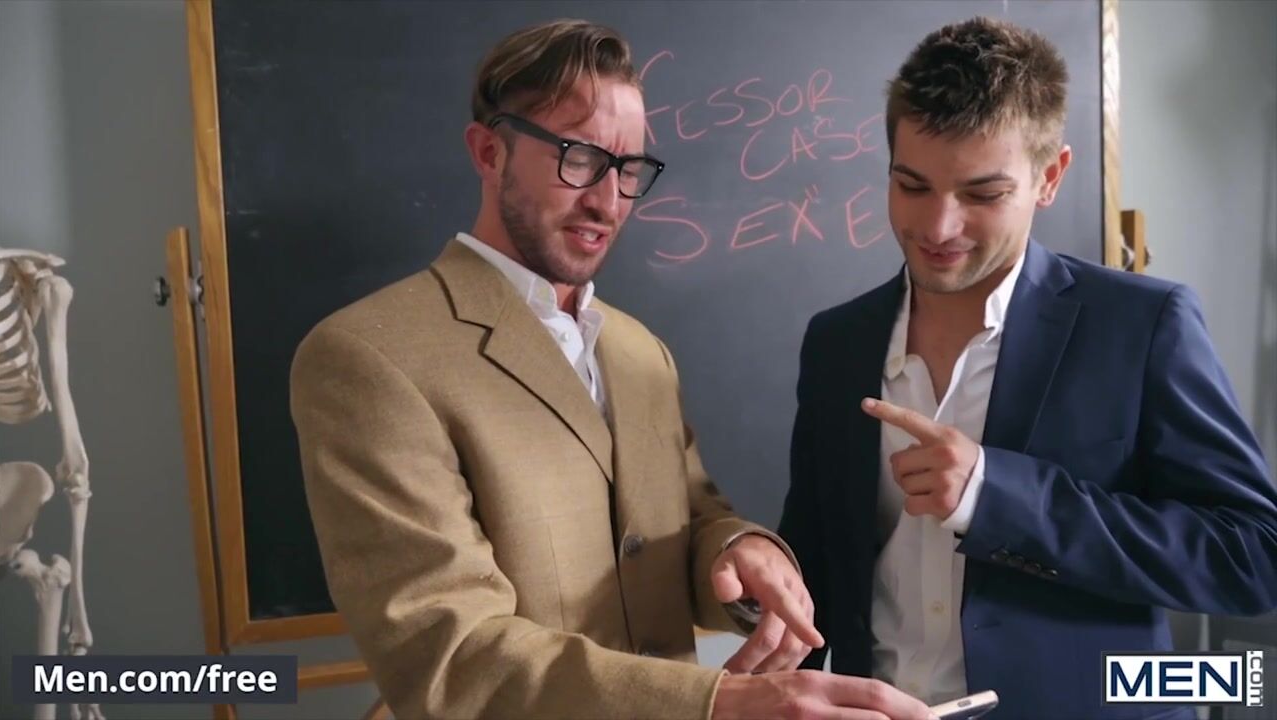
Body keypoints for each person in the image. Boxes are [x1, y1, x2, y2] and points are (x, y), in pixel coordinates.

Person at [290, 18, 934, 720]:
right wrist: (718, 702)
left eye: (628, 170)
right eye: (579, 157)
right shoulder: (370, 356)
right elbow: (451, 656)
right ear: (489, 151)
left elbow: (690, 519)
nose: (608, 200)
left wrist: (740, 550)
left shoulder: (638, 350)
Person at [778, 16, 1277, 720]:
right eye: (911, 185)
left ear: (1050, 177)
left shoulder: (1143, 325)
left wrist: (997, 495)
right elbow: (811, 571)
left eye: (982, 195)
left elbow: (1253, 555)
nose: (938, 227)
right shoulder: (835, 342)